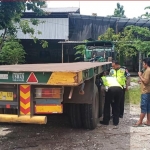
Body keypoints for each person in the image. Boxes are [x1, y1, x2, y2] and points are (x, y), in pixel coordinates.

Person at [133, 57, 150, 127]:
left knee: (143, 107)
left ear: (146, 64)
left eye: (143, 64)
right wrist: (141, 81)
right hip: (148, 91)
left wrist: (140, 75)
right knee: (148, 107)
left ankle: (140, 121)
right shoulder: (148, 70)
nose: (143, 65)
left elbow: (146, 81)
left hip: (145, 92)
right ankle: (148, 121)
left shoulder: (148, 70)